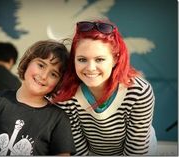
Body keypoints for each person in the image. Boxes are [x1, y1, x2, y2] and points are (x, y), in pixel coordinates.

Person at [54, 19, 156, 155]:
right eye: (82, 59)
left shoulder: (138, 92)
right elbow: (78, 150)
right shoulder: (65, 94)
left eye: (99, 59)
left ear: (115, 59)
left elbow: (136, 151)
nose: (90, 68)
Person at [0, 40, 76, 155]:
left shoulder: (59, 119)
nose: (44, 76)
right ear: (27, 62)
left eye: (53, 74)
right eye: (41, 65)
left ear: (59, 83)